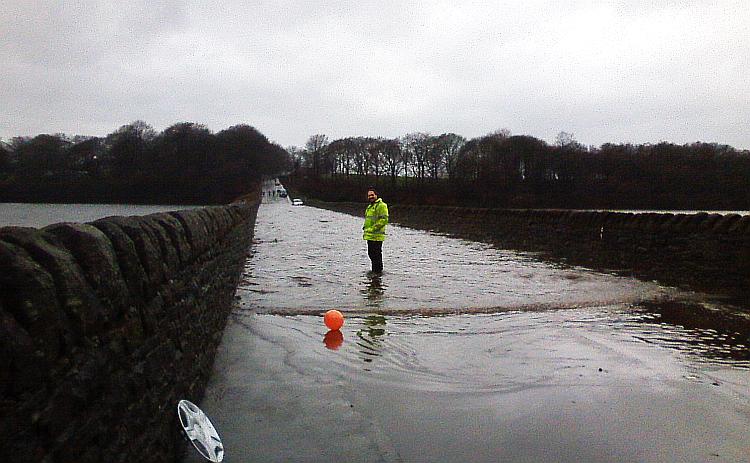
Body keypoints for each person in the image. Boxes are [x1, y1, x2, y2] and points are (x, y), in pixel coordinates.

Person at [362, 188, 389, 273]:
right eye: (369, 195)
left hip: (377, 236)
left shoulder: (381, 205)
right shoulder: (370, 206)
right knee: (371, 254)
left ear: (376, 195)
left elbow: (384, 220)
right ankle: (375, 274)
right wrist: (365, 228)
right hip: (369, 235)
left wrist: (373, 229)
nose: (370, 197)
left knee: (376, 255)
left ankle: (378, 272)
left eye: (372, 195)